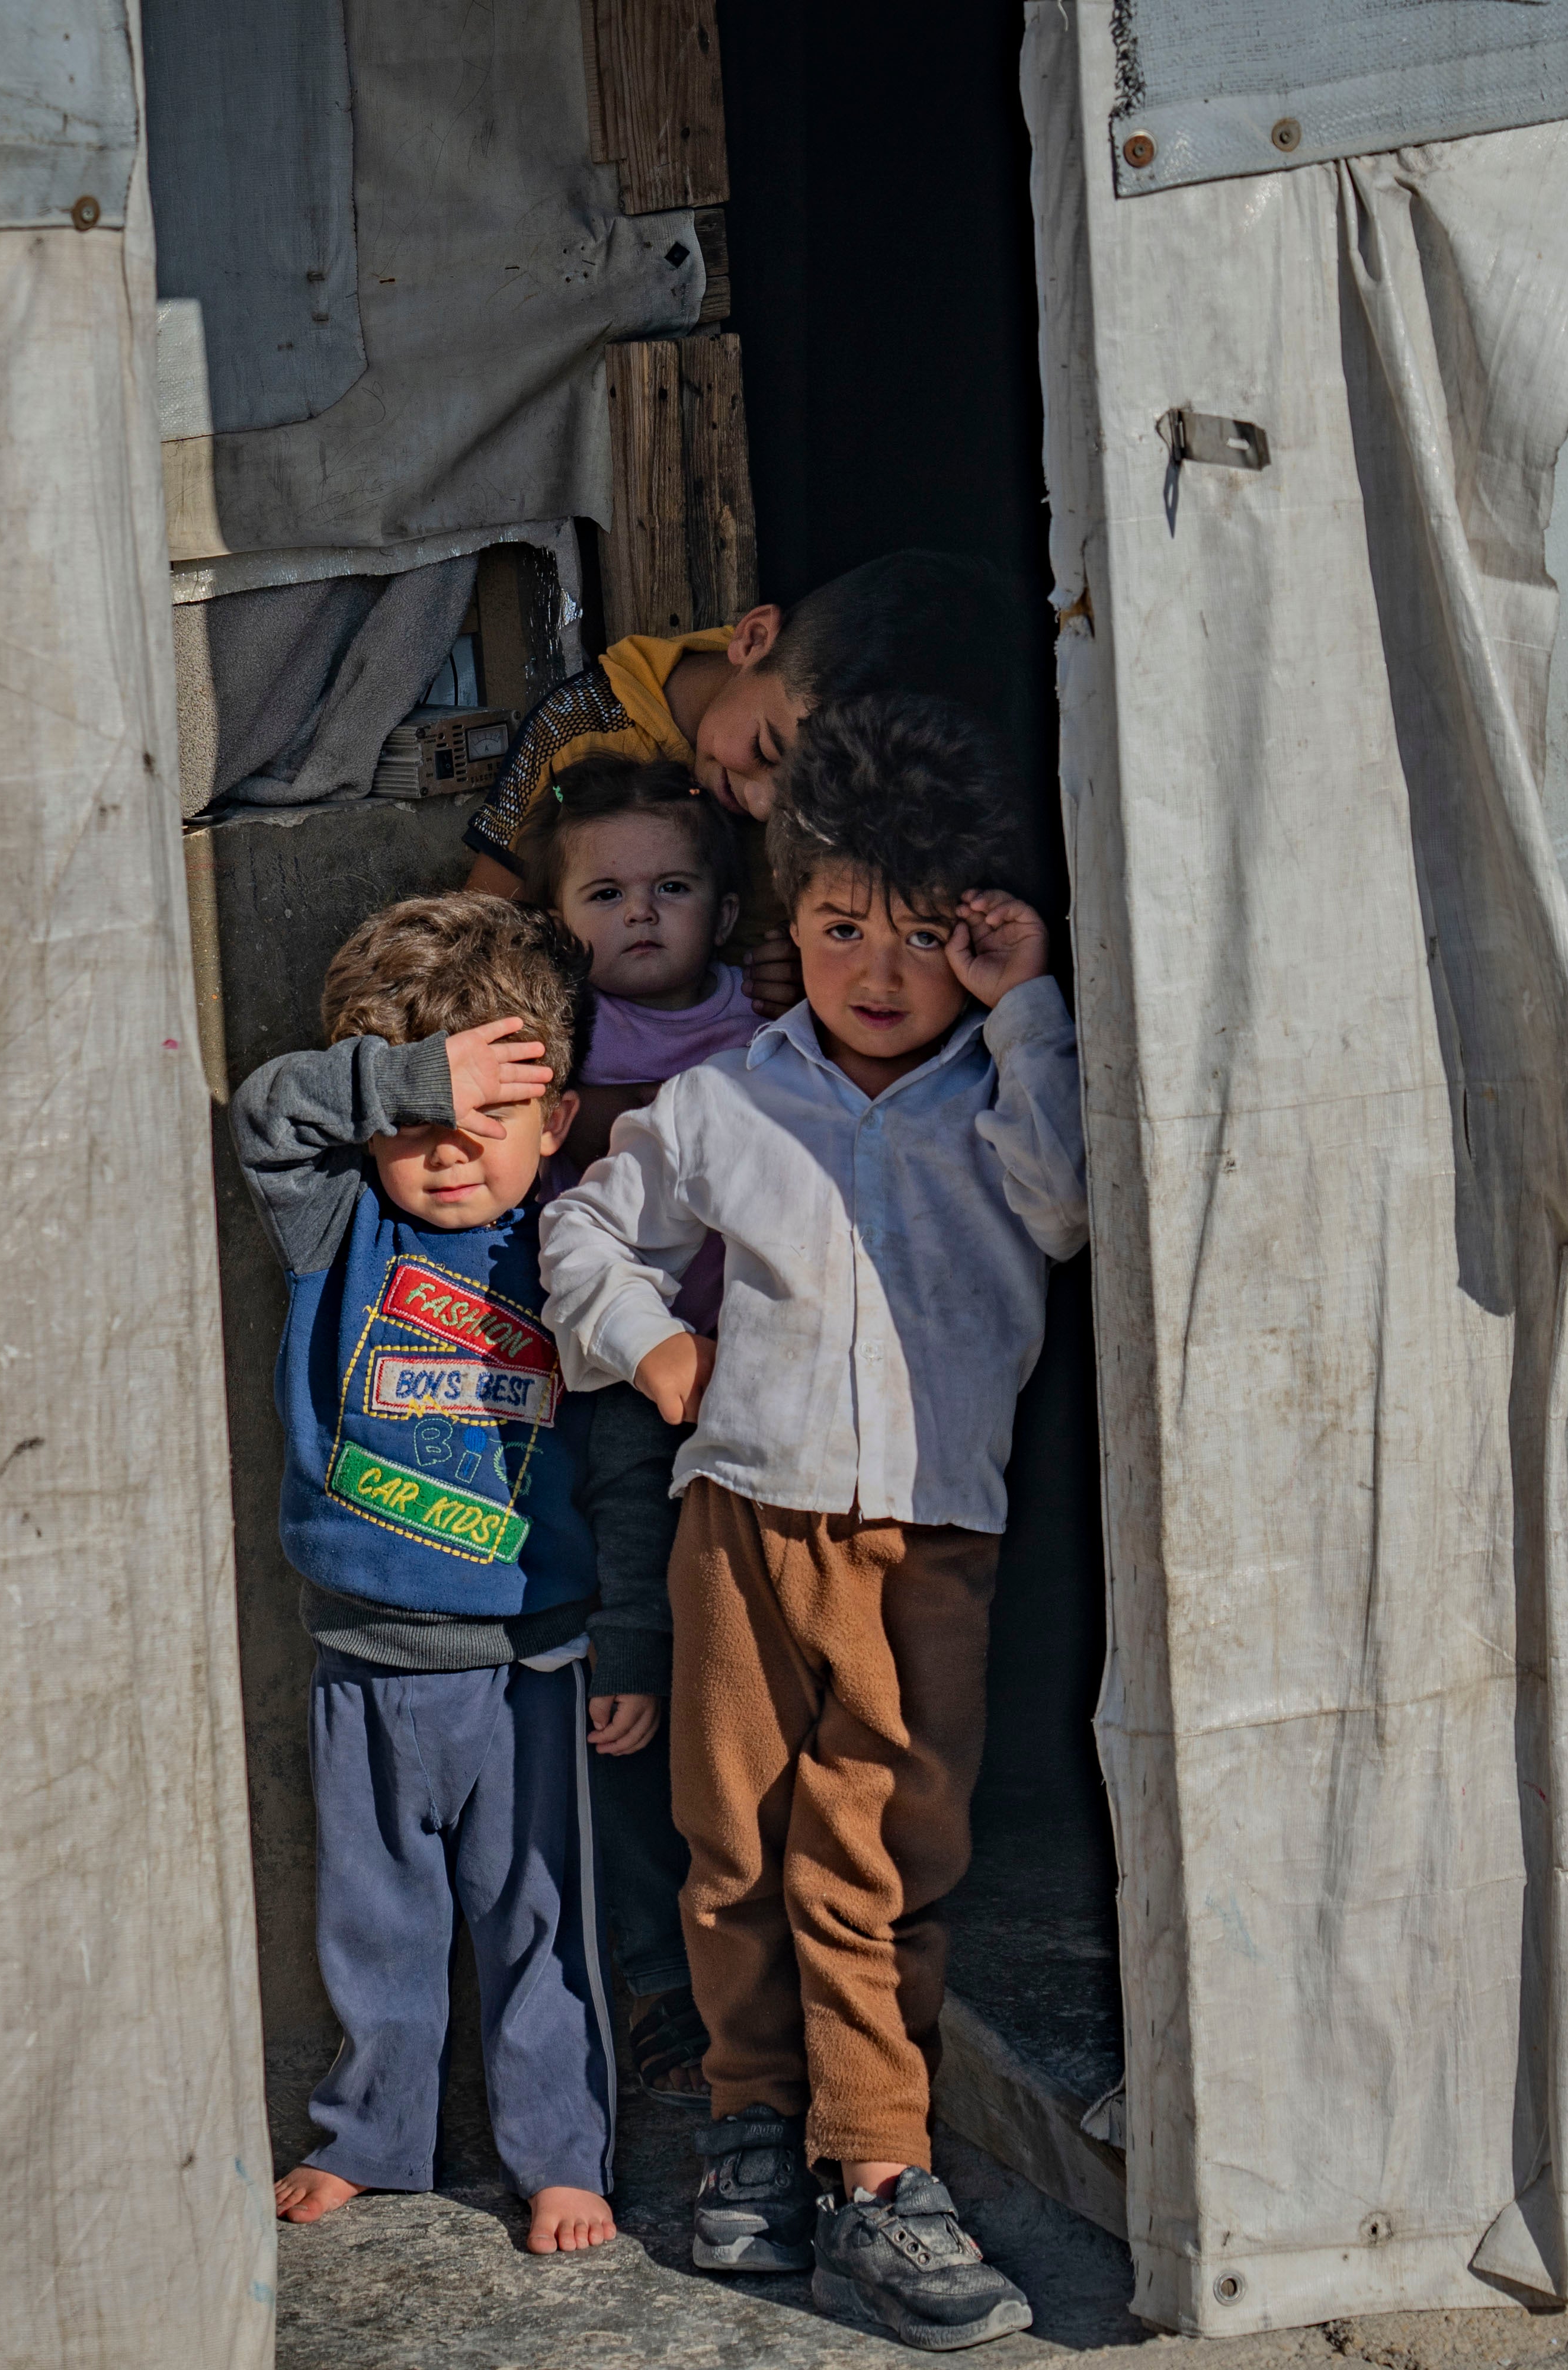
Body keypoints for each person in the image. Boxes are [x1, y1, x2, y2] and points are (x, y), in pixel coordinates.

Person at [539, 695, 1085, 2349]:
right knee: (732, 1846)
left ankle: (878, 2169)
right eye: (842, 926)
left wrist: (1031, 1005)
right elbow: (585, 1232)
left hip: (925, 1545)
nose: (878, 968)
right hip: (743, 1530)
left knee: (875, 1860)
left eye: (925, 936)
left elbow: (1071, 1209)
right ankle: (755, 2127)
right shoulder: (725, 1105)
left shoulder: (1000, 1102)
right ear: (791, 927)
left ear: (974, 945)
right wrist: (654, 1342)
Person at [230, 893, 633, 2256]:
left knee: (540, 1930)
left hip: (530, 1669)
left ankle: (560, 2156)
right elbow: (264, 1115)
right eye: (417, 1122)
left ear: (555, 1119)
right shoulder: (340, 1228)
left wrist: (628, 1644)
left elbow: (628, 1475)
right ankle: (368, 2137)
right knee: (372, 1925)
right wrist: (410, 1078)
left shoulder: (576, 1253)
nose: (448, 1154)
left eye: (487, 1120)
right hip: (360, 1663)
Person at [524, 751, 765, 2109]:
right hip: (614, 1401)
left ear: (725, 913)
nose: (642, 914)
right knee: (628, 1678)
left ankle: (749, 1952)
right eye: (606, 892)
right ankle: (658, 1973)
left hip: (766, 1394)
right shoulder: (559, 1046)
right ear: (562, 921)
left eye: (673, 887)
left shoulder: (771, 1021)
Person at [458, 550, 1019, 1013]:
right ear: (752, 640)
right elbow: (479, 932)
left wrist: (815, 979)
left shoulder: (879, 785)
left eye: (804, 791)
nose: (761, 801)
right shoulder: (581, 726)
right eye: (765, 749)